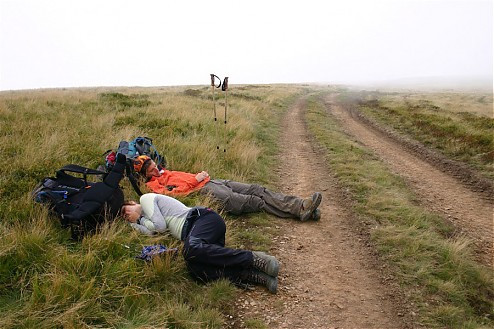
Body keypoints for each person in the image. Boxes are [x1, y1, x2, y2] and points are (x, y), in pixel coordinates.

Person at [121, 193, 280, 293]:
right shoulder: (147, 219)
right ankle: (249, 275)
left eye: (125, 210)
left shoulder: (146, 198)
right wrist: (135, 224)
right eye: (124, 217)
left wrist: (140, 219)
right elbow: (151, 231)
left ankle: (254, 258)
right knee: (194, 270)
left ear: (132, 202)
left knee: (190, 250)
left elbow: (160, 227)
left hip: (203, 219)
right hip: (201, 237)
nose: (127, 214)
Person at [133, 155, 322, 221]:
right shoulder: (153, 186)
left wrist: (201, 175)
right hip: (206, 191)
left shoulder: (164, 171)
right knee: (253, 202)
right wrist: (196, 179)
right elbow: (175, 193)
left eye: (151, 162)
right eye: (149, 166)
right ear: (145, 174)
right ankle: (301, 209)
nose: (153, 166)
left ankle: (301, 206)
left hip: (213, 182)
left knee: (257, 189)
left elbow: (183, 179)